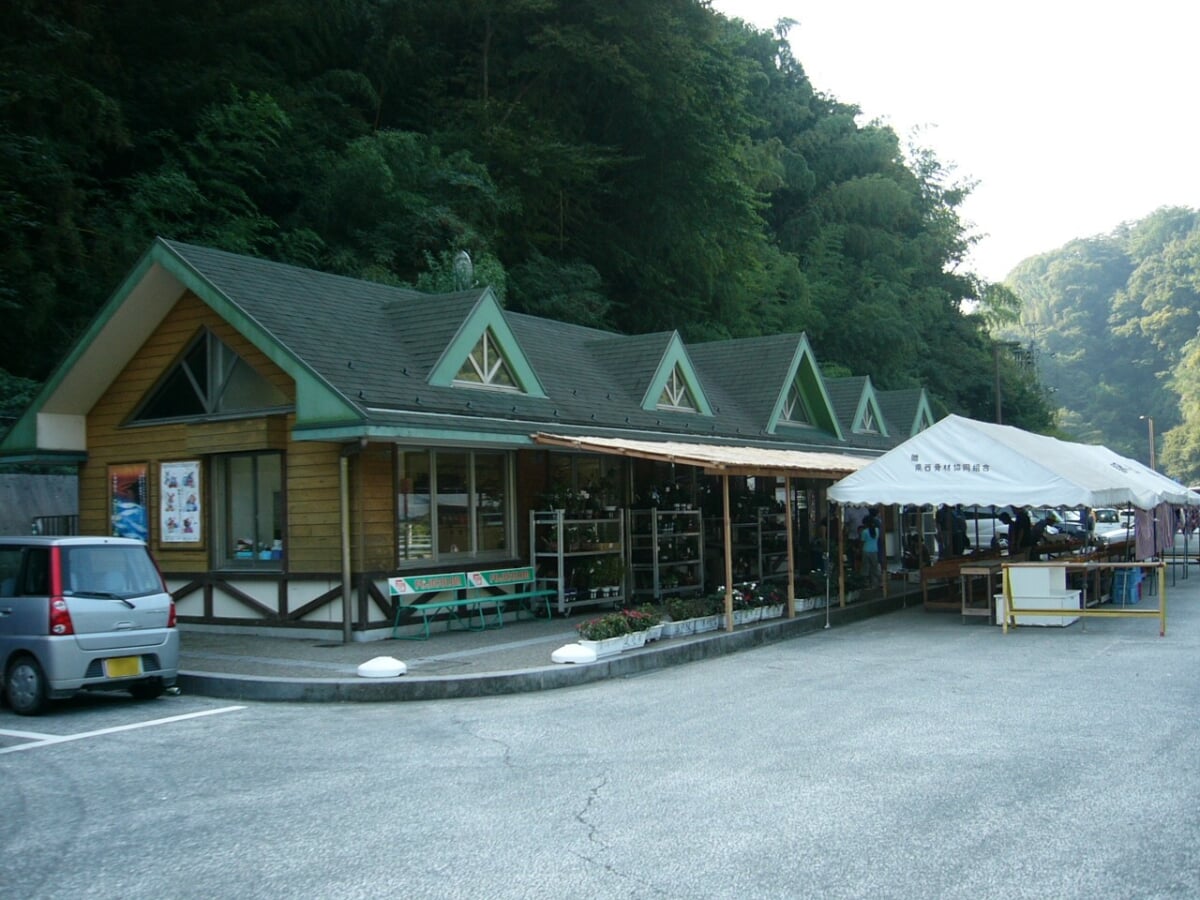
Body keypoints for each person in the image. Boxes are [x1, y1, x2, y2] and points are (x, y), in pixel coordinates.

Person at [859, 512, 882, 587]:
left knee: (865, 567)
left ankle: (866, 583)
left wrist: (859, 550)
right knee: (875, 567)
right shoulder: (877, 530)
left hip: (866, 550)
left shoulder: (864, 532)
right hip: (874, 550)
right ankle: (880, 582)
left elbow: (862, 542)